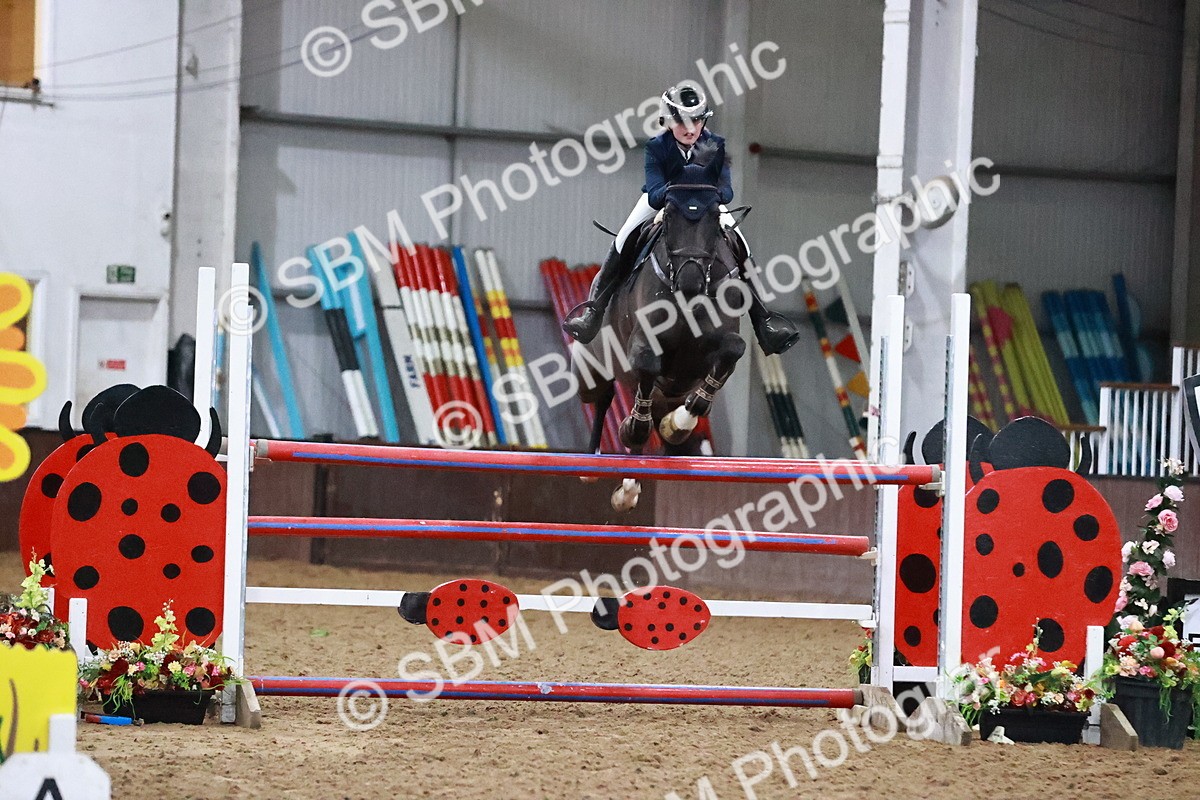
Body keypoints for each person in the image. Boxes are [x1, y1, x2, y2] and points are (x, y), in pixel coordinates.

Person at [563, 83, 799, 355]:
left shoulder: (714, 145)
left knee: (740, 245)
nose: (690, 129)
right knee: (624, 238)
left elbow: (727, 191)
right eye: (682, 122)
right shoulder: (657, 147)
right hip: (665, 202)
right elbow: (653, 193)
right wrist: (680, 189)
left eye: (697, 121)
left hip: (706, 202)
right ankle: (594, 311)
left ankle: (764, 322)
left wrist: (704, 191)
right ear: (668, 120)